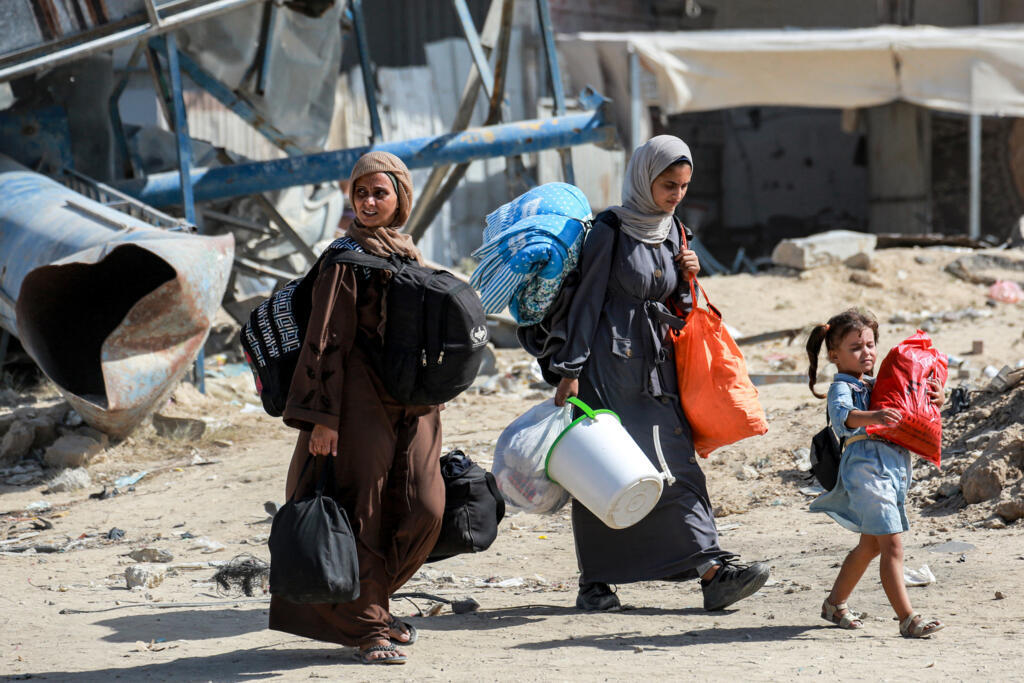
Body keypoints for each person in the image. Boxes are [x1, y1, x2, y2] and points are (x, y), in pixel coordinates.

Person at [549, 135, 770, 612]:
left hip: (660, 365)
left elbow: (682, 306)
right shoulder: (610, 228)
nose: (676, 195)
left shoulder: (673, 231)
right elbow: (587, 301)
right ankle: (614, 580)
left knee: (672, 460)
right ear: (644, 178)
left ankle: (704, 568)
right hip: (609, 366)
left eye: (684, 186)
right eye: (669, 184)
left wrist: (688, 275)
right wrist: (569, 371)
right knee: (608, 466)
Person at [268, 152, 444, 664]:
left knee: (425, 505)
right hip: (356, 403)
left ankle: (372, 604)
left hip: (413, 405)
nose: (368, 202)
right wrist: (322, 419)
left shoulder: (407, 253)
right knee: (360, 512)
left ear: (401, 198)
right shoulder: (344, 258)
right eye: (360, 194)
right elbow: (323, 342)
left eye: (379, 193)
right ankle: (368, 627)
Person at [806, 309, 946, 638]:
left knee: (869, 547)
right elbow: (843, 417)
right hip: (866, 472)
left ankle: (834, 604)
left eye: (870, 344)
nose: (866, 352)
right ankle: (907, 618)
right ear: (834, 355)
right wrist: (876, 416)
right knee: (893, 547)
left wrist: (937, 397)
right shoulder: (842, 388)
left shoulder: (878, 383)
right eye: (856, 347)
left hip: (891, 472)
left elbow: (913, 406)